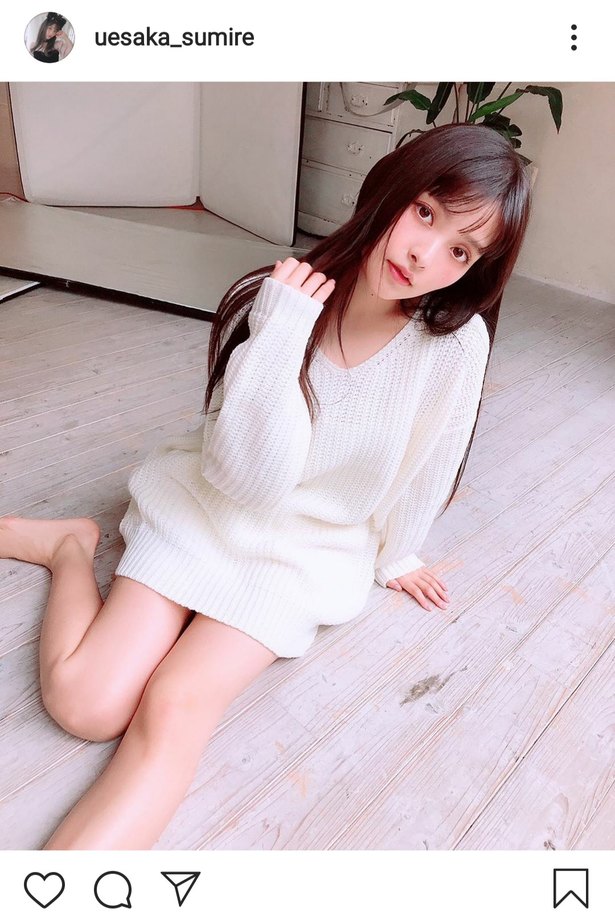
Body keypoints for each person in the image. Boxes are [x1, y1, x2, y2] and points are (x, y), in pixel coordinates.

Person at [0, 123, 532, 850]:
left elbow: (428, 466)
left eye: (460, 251)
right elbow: (245, 480)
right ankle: (69, 546)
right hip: (209, 506)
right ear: (391, 189)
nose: (423, 254)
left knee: (175, 705)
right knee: (84, 704)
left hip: (302, 556)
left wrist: (396, 554)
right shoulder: (284, 299)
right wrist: (280, 336)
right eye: (425, 213)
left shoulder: (452, 348)